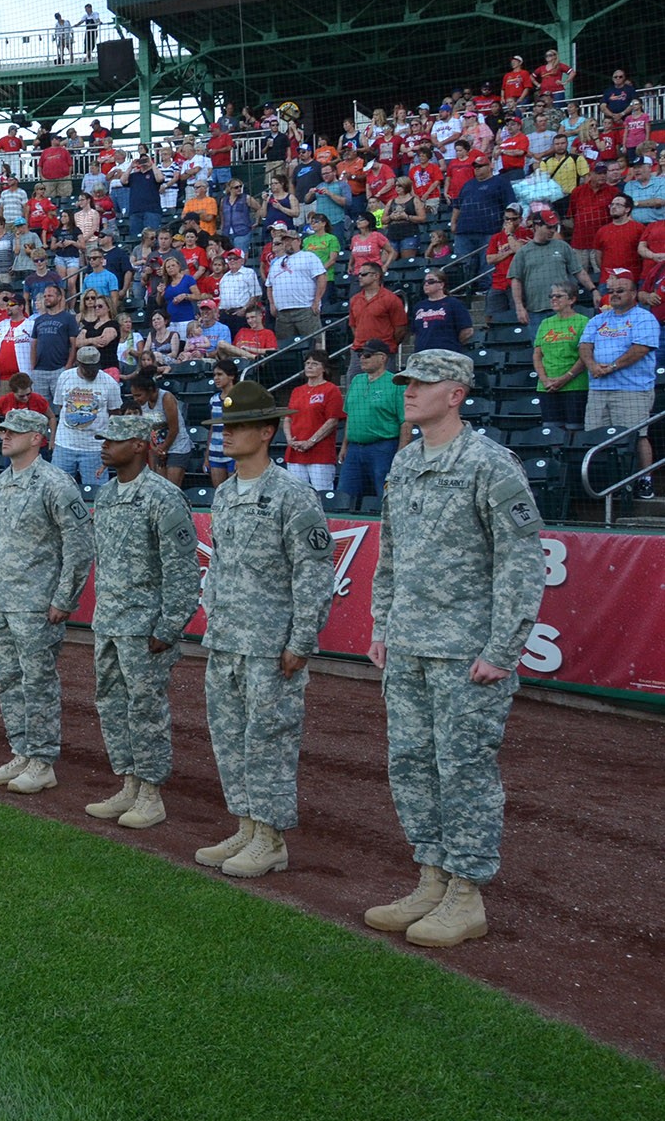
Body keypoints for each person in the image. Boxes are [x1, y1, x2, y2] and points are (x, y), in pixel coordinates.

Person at [359, 348, 548, 947]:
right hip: (410, 645)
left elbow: (522, 565)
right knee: (410, 765)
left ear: (456, 393)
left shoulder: (491, 464)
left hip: (467, 653)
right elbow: (390, 556)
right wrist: (381, 627)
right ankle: (431, 876)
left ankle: (467, 895)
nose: (408, 391)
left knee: (463, 770)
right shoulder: (407, 461)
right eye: (405, 383)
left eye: (421, 383)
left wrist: (503, 648)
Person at [195, 382, 335, 877]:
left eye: (236, 428)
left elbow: (315, 572)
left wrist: (301, 640)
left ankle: (271, 837)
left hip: (270, 645)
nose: (226, 437)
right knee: (229, 738)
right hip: (228, 639)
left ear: (266, 431)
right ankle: (247, 825)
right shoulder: (226, 493)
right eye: (222, 428)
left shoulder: (292, 494)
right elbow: (221, 563)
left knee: (268, 740)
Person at [84, 415, 202, 830]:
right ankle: (129, 783)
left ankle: (151, 794)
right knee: (112, 705)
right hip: (111, 622)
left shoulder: (163, 497)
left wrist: (169, 628)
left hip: (146, 627)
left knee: (146, 708)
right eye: (103, 440)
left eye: (113, 441)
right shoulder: (108, 493)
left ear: (139, 445)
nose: (104, 446)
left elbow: (183, 572)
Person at [0, 407, 95, 795]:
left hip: (38, 603)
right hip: (5, 601)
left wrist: (64, 597)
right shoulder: (2, 482)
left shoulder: (55, 484)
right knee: (9, 680)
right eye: (3, 430)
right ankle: (22, 751)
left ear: (37, 438)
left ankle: (43, 760)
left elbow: (79, 547)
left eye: (14, 431)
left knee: (38, 681)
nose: (4, 436)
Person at [579, 274, 661, 498]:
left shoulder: (644, 318)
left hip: (632, 390)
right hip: (598, 390)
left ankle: (645, 479)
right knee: (595, 437)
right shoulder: (598, 319)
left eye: (620, 290)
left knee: (638, 436)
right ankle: (605, 483)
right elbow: (584, 346)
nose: (614, 294)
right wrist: (593, 365)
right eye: (612, 291)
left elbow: (640, 349)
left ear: (634, 294)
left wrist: (611, 366)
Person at [337, 341, 407, 500]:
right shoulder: (356, 381)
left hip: (383, 447)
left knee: (386, 496)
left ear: (382, 358)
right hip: (354, 448)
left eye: (367, 355)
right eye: (360, 355)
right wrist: (345, 445)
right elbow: (351, 416)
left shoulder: (396, 383)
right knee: (345, 496)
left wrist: (401, 453)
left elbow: (406, 421)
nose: (362, 358)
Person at [51, 346, 122, 485]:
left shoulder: (110, 383)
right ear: (78, 363)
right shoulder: (65, 377)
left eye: (94, 367)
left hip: (95, 448)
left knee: (96, 493)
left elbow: (115, 415)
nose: (91, 371)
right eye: (87, 368)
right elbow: (61, 406)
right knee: (57, 488)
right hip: (64, 444)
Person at [283, 353, 346, 491]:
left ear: (324, 368)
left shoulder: (331, 389)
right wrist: (289, 439)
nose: (309, 366)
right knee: (296, 494)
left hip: (320, 453)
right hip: (295, 452)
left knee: (321, 493)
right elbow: (287, 418)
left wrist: (311, 441)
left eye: (315, 363)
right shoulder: (297, 391)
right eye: (307, 363)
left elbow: (332, 420)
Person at [531, 285, 590, 429]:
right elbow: (537, 355)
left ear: (572, 299)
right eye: (552, 296)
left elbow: (585, 355)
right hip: (547, 387)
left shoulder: (583, 321)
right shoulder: (546, 323)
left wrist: (565, 378)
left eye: (559, 296)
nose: (554, 299)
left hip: (575, 386)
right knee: (551, 432)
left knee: (575, 430)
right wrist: (545, 380)